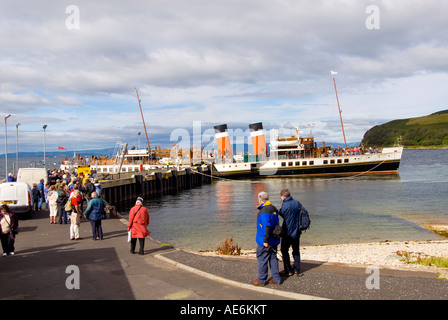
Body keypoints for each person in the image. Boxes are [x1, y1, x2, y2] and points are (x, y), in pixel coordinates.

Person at [251, 191, 282, 286]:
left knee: (262, 259)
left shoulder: (263, 212)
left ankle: (261, 280)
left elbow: (266, 226)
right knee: (273, 259)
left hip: (265, 241)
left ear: (260, 200)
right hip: (274, 239)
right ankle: (276, 279)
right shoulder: (274, 208)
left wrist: (265, 241)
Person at [279, 188, 302, 276]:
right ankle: (296, 269)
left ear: (283, 196)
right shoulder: (296, 202)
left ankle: (288, 270)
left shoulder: (285, 205)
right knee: (296, 250)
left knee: (284, 250)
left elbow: (282, 213)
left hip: (287, 232)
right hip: (296, 231)